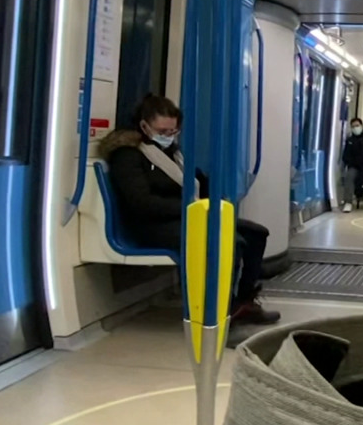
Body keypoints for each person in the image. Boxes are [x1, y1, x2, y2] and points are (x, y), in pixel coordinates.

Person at [101, 95, 279, 326]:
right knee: (230, 242)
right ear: (144, 126)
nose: (168, 137)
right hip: (151, 225)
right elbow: (141, 203)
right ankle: (220, 311)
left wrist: (215, 199)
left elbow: (198, 181)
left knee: (256, 233)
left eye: (173, 132)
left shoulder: (173, 154)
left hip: (186, 217)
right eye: (162, 131)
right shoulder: (128, 155)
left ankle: (243, 301)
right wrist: (192, 208)